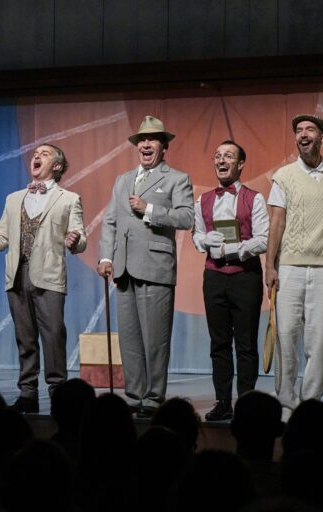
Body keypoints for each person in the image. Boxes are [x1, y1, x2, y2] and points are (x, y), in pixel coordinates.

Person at [0, 144, 86, 413]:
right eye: (35, 153)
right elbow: (2, 237)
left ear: (57, 166)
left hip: (48, 276)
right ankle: (28, 393)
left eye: (45, 154)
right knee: (25, 338)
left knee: (54, 336)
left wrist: (74, 241)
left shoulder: (69, 199)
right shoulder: (14, 199)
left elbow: (79, 236)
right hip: (17, 275)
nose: (37, 156)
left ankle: (59, 392)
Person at [97, 115, 194, 417]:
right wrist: (106, 257)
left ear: (164, 147)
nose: (146, 144)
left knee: (155, 338)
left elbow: (186, 218)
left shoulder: (176, 178)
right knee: (129, 337)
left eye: (152, 139)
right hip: (124, 267)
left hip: (155, 266)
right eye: (142, 140)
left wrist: (149, 209)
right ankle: (134, 394)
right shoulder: (122, 179)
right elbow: (111, 220)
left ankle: (153, 397)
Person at [264, 114, 323, 420]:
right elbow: (276, 221)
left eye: (309, 129)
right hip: (289, 266)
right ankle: (287, 400)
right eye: (298, 130)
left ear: (321, 136)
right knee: (286, 333)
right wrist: (270, 265)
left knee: (322, 336)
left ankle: (311, 402)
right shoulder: (284, 176)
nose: (303, 134)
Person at [192, 141, 268, 421]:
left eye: (228, 156)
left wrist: (232, 249)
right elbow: (196, 235)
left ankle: (246, 404)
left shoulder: (254, 198)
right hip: (214, 277)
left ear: (240, 164)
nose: (222, 160)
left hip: (245, 277)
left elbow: (262, 240)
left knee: (245, 343)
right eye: (218, 156)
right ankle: (223, 400)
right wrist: (204, 241)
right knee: (219, 343)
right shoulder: (203, 200)